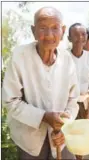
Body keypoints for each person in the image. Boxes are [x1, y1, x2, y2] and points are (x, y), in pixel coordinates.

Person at [2, 7, 80, 160]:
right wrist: (44, 116)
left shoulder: (67, 59)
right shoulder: (20, 56)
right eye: (43, 28)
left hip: (61, 136)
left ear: (63, 31)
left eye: (55, 28)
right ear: (33, 31)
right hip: (29, 138)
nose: (49, 35)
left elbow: (73, 99)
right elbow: (10, 101)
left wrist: (66, 124)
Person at [68, 23, 89, 119]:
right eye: (76, 35)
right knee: (70, 131)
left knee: (83, 129)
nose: (80, 37)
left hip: (85, 102)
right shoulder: (64, 57)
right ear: (69, 38)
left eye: (83, 34)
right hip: (68, 104)